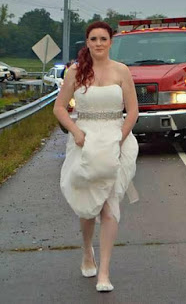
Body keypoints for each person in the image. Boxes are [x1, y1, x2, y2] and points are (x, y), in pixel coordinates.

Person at [53, 21, 139, 292]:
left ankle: (104, 272)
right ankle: (87, 251)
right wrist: (76, 131)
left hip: (115, 139)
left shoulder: (122, 71)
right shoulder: (75, 73)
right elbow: (59, 108)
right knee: (88, 206)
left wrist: (121, 137)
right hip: (85, 141)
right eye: (94, 39)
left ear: (111, 42)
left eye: (103, 38)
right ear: (87, 42)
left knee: (109, 205)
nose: (99, 43)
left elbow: (133, 112)